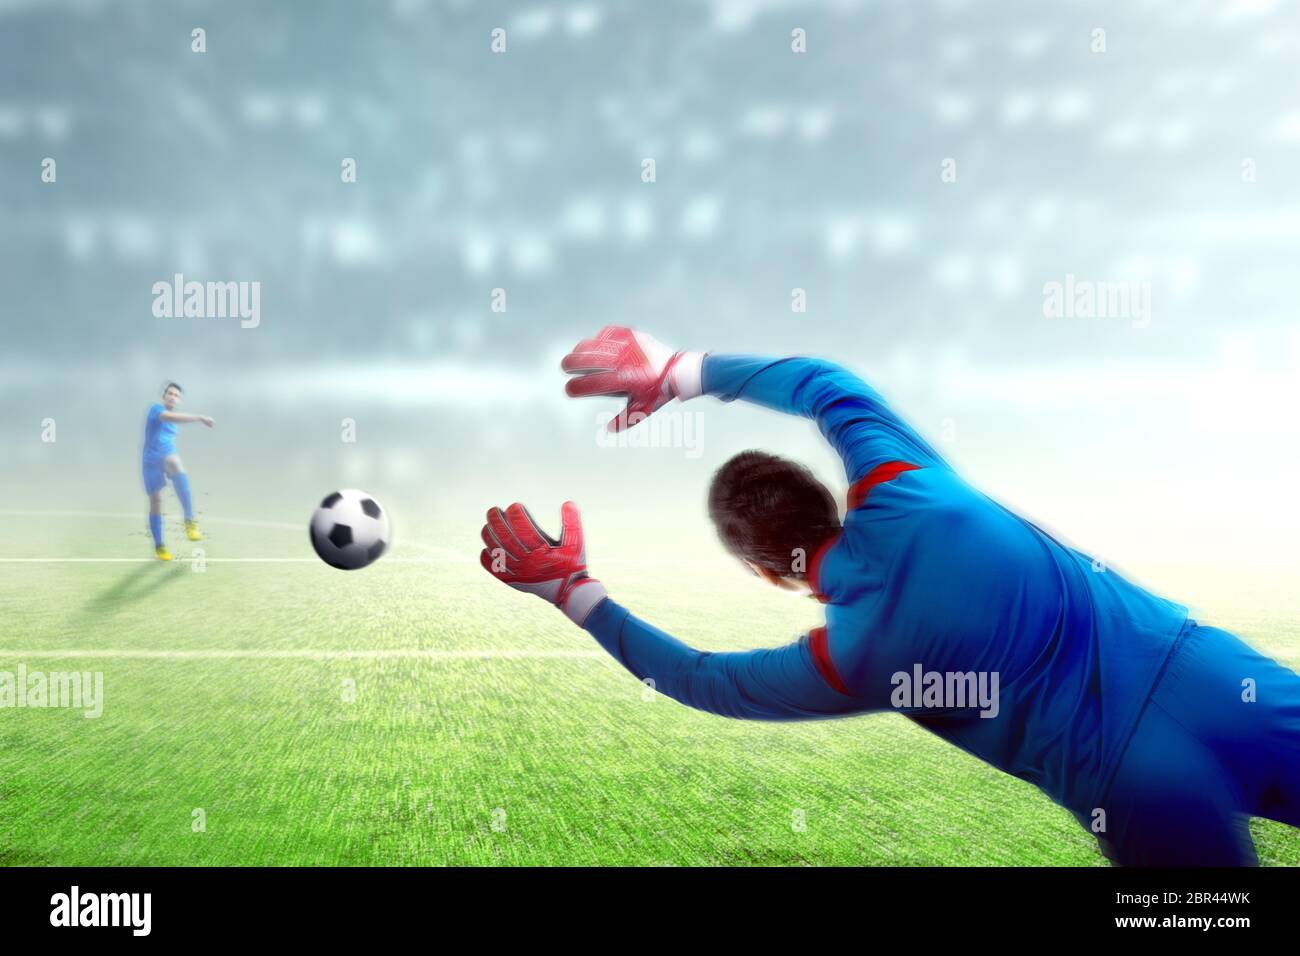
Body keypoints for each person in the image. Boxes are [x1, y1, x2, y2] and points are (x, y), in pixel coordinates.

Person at [479, 325, 1300, 866]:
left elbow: (697, 678)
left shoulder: (848, 664)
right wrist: (679, 373)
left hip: (1135, 787)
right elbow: (824, 384)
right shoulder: (905, 480)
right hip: (1214, 679)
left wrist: (573, 590)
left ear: (767, 573)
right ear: (827, 493)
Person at [142, 382, 213, 561]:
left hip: (166, 455)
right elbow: (169, 417)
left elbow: (173, 423)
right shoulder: (156, 409)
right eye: (170, 393)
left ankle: (189, 521)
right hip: (150, 461)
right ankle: (160, 546)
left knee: (174, 462)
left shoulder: (174, 426)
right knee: (156, 501)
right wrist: (198, 417)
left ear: (179, 400)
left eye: (176, 395)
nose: (173, 397)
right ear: (164, 396)